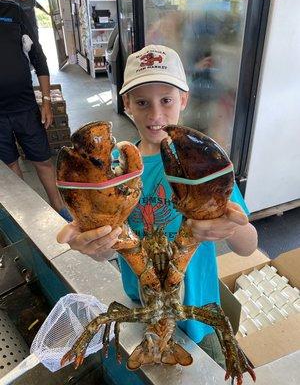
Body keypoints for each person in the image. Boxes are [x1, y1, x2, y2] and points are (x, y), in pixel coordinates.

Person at [57, 44, 258, 367]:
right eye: (142, 102)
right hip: (140, 305)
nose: (155, 115)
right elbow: (109, 250)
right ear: (127, 105)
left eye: (166, 99)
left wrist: (232, 226)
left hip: (199, 313)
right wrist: (98, 246)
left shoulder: (204, 171)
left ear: (184, 99)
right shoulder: (111, 177)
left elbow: (249, 247)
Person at [0, 0, 72, 222]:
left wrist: (47, 101)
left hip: (25, 107)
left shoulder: (12, 11)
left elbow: (37, 57)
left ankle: (58, 205)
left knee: (42, 159)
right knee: (10, 165)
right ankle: (28, 214)